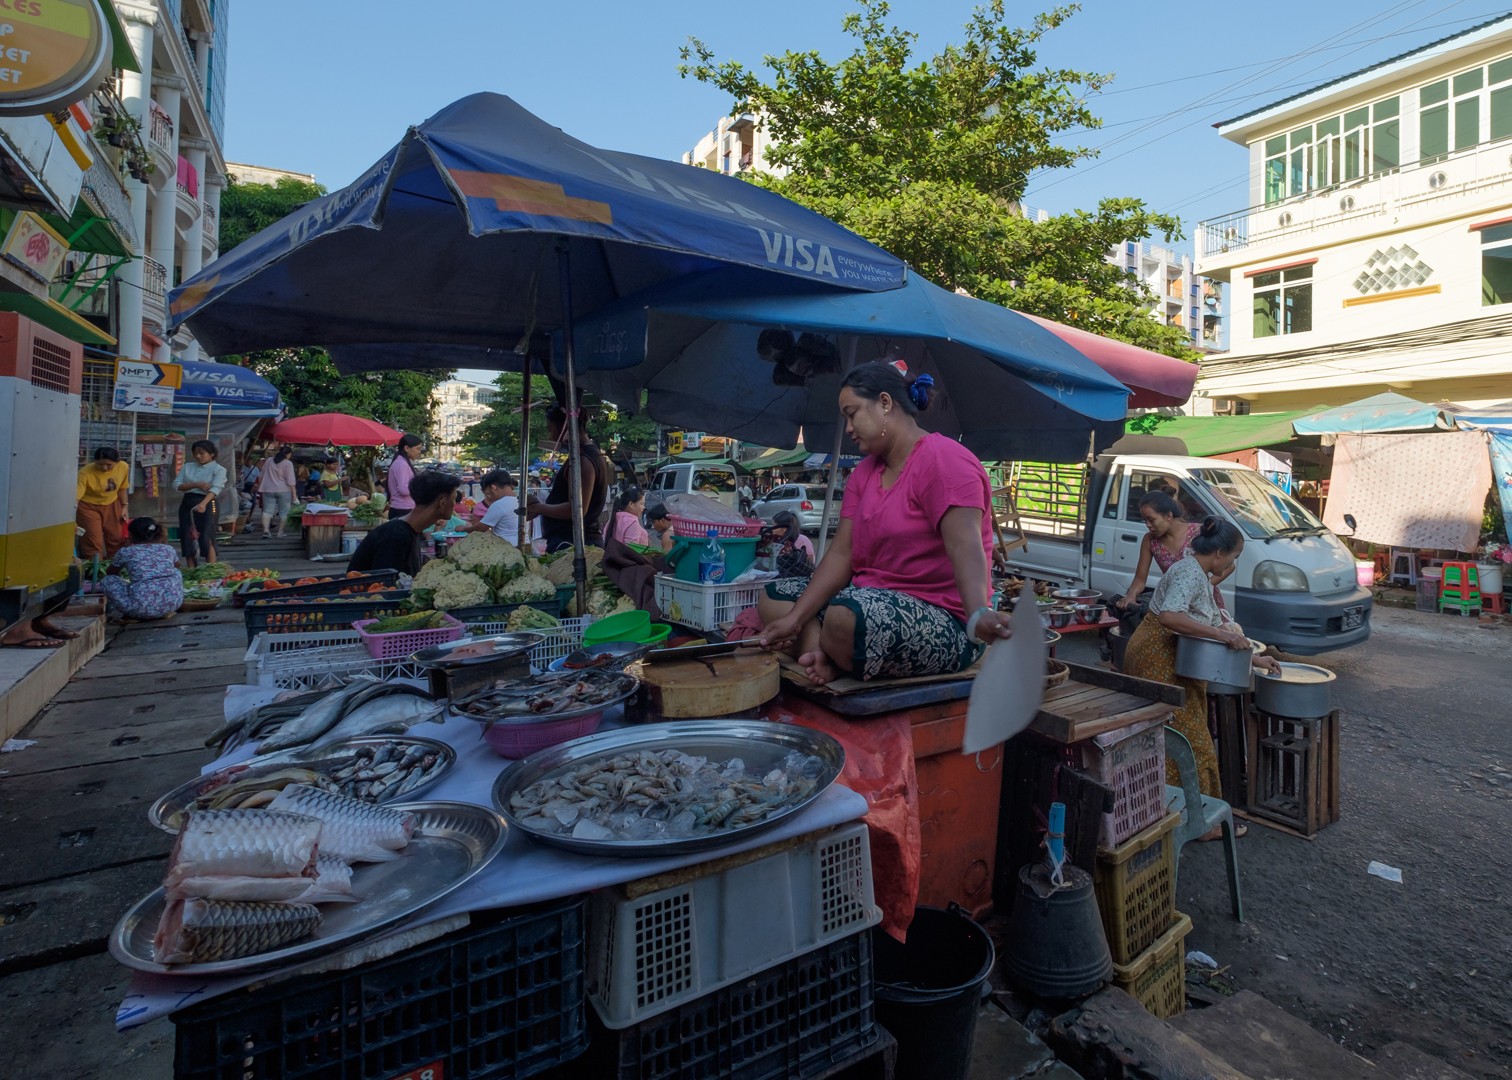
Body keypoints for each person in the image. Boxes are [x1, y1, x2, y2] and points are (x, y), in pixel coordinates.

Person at [758, 361, 1010, 685]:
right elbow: (840, 555)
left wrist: (978, 613)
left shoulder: (944, 460)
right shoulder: (864, 474)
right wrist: (795, 619)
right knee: (775, 598)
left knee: (844, 617)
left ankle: (828, 652)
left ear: (885, 403)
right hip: (866, 602)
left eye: (852, 413)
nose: (848, 427)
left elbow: (966, 544)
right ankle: (826, 655)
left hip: (946, 621)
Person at [1123, 517, 1281, 830]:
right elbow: (1170, 616)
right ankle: (1198, 824)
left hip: (1172, 658)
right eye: (1234, 558)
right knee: (1187, 740)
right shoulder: (1188, 572)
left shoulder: (1197, 572)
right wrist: (1224, 637)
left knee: (1174, 737)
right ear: (1220, 554)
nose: (1232, 565)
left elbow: (1210, 623)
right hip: (1156, 658)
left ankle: (1173, 816)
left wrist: (1254, 659)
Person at [1114, 490, 1234, 614]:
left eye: (1151, 519)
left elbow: (1229, 566)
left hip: (1204, 603)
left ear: (1168, 516)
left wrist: (1202, 586)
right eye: (1145, 520)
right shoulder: (1149, 540)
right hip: (1174, 602)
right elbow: (1140, 579)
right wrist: (1131, 595)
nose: (1148, 525)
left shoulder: (1198, 533)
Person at [524, 405, 607, 552]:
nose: (551, 437)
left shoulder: (583, 461)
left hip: (574, 544)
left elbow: (576, 509)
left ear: (564, 427)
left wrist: (538, 507)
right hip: (567, 541)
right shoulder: (582, 456)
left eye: (550, 429)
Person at [348, 469, 459, 577]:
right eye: (454, 499)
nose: (455, 504)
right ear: (443, 503)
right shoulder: (395, 536)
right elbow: (387, 587)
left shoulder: (408, 529)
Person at [101, 517, 183, 621]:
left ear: (130, 535)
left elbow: (111, 573)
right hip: (173, 604)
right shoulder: (168, 549)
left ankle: (136, 612)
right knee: (176, 572)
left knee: (107, 580)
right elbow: (177, 565)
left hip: (141, 609)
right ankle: (164, 605)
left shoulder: (126, 552)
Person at [172, 440, 227, 568]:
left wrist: (203, 504)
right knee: (187, 534)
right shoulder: (188, 467)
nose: (198, 456)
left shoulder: (219, 469)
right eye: (196, 453)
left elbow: (216, 488)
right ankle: (192, 569)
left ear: (211, 454)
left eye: (202, 453)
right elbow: (177, 484)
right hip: (188, 501)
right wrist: (195, 484)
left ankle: (211, 568)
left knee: (207, 534)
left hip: (208, 502)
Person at [76, 447, 130, 562]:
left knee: (116, 537)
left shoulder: (123, 467)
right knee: (94, 540)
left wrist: (124, 506)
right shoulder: (84, 473)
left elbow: (122, 488)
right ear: (94, 461)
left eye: (109, 465)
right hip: (88, 507)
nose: (104, 468)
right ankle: (95, 569)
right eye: (100, 464)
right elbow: (77, 495)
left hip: (112, 503)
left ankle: (115, 566)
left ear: (117, 462)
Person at [466, 469, 528, 541]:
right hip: (525, 543)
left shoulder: (499, 505)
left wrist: (464, 528)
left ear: (493, 488)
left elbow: (481, 528)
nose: (489, 497)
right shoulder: (522, 501)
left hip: (507, 546)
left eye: (488, 494)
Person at [258, 446, 297, 538]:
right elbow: (291, 481)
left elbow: (262, 475)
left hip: (268, 489)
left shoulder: (269, 461)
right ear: (288, 454)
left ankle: (266, 531)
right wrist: (294, 494)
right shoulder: (288, 463)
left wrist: (259, 486)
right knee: (284, 512)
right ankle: (280, 532)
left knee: (267, 511)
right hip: (284, 490)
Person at [386, 434, 425, 520]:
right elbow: (404, 490)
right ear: (407, 448)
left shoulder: (401, 462)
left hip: (402, 508)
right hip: (402, 509)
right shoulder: (401, 464)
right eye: (418, 449)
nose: (419, 452)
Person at [769, 510, 816, 576]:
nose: (772, 528)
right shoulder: (774, 539)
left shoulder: (803, 540)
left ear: (785, 528)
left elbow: (810, 562)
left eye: (775, 526)